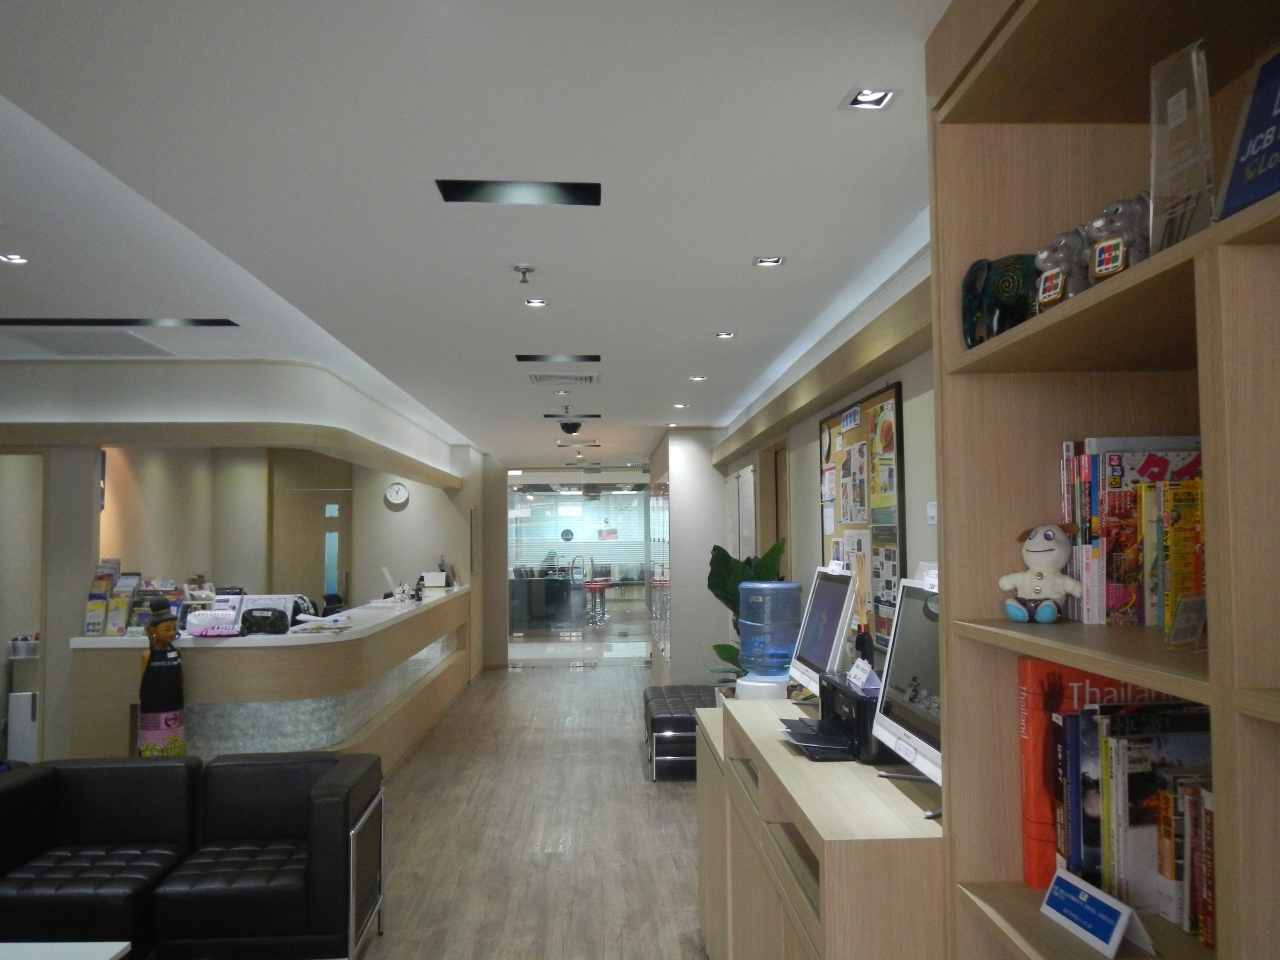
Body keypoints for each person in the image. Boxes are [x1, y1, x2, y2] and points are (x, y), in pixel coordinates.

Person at [138, 597, 186, 756]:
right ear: (152, 631)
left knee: (175, 746)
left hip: (175, 706)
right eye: (167, 629)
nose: (172, 633)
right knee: (154, 747)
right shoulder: (147, 655)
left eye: (174, 629)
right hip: (153, 708)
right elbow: (145, 684)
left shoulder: (176, 652)